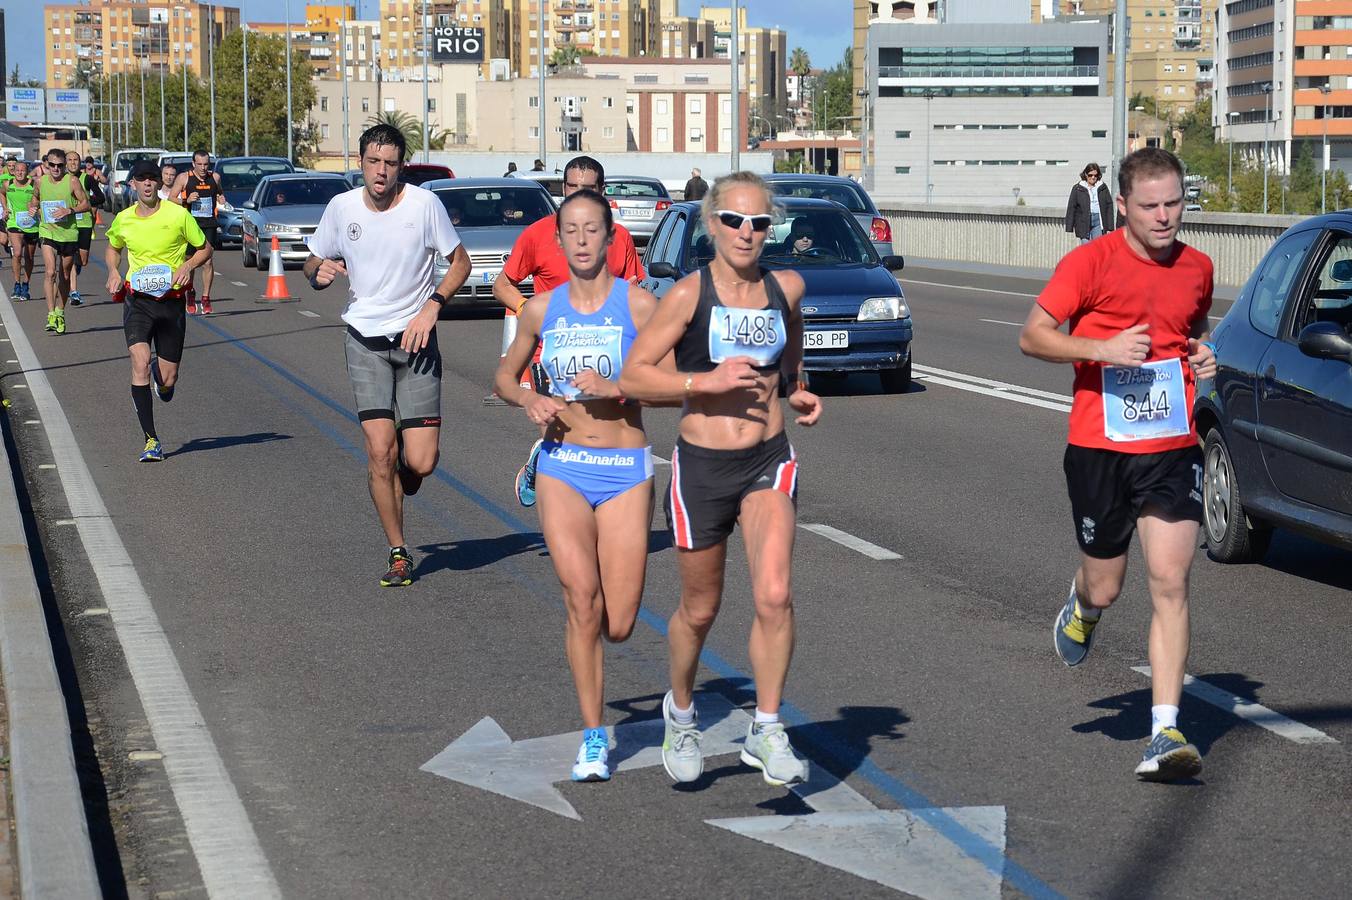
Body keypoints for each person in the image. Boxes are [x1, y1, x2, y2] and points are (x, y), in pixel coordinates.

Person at [619, 171, 823, 787]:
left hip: (767, 458)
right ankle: (680, 712)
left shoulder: (786, 288)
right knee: (700, 608)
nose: (747, 232)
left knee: (774, 594)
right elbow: (634, 376)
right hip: (702, 467)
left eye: (760, 223)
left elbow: (791, 354)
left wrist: (799, 389)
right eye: (734, 220)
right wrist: (702, 383)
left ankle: (765, 725)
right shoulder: (686, 295)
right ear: (711, 225)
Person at [1019, 148, 1216, 782]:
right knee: (1107, 583)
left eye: (1175, 203)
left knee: (1171, 580)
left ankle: (1164, 731)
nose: (1165, 217)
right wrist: (1101, 347)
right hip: (1100, 448)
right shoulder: (1089, 263)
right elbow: (1034, 335)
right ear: (1123, 206)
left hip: (1170, 445)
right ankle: (1083, 605)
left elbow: (1190, 327)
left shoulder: (1198, 267)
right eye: (1152, 206)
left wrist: (1202, 356)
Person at [493, 190, 666, 782]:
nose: (584, 239)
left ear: (612, 237)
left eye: (594, 229)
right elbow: (505, 374)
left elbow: (671, 383)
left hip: (624, 470)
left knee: (618, 621)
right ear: (560, 239)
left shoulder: (639, 305)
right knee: (580, 602)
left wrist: (617, 385)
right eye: (573, 230)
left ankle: (616, 696)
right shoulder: (542, 310)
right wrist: (530, 397)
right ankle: (594, 736)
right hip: (563, 463)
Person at [303, 124, 471, 588]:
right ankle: (399, 551)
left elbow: (462, 262)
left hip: (415, 341)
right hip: (364, 340)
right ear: (361, 163)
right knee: (379, 452)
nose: (381, 172)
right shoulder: (341, 208)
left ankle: (404, 467)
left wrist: (433, 306)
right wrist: (319, 272)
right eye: (374, 162)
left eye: (390, 163)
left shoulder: (424, 205)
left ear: (401, 167)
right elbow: (311, 261)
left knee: (421, 463)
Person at [493, 155, 645, 507]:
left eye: (587, 188)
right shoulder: (539, 234)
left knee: (597, 435)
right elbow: (504, 285)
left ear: (603, 193)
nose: (578, 193)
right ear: (563, 189)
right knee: (559, 435)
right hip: (551, 353)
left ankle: (598, 502)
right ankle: (553, 481)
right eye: (572, 186)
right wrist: (531, 314)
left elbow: (633, 290)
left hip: (604, 352)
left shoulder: (618, 238)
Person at [103, 161, 212, 462]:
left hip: (171, 302)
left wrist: (188, 265)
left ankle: (161, 379)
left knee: (168, 379)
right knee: (138, 361)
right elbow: (113, 247)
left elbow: (205, 248)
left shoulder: (177, 215)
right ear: (133, 185)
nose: (148, 184)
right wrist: (113, 269)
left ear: (158, 185)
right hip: (138, 302)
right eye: (142, 179)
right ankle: (151, 439)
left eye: (152, 179)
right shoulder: (124, 219)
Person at [30, 148, 90, 335]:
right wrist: (32, 209)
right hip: (47, 231)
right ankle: (50, 314)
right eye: (52, 165)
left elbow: (86, 204)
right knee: (50, 272)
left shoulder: (71, 181)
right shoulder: (40, 181)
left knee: (64, 274)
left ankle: (60, 311)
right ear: (46, 164)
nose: (56, 169)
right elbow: (34, 200)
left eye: (60, 165)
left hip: (68, 234)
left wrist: (70, 211)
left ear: (64, 166)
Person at [169, 150, 223, 315]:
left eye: (206, 164)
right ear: (193, 164)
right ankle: (190, 292)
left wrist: (221, 197)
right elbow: (171, 198)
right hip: (190, 223)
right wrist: (186, 200)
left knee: (207, 261)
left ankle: (206, 297)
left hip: (209, 224)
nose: (203, 168)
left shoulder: (215, 177)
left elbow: (220, 191)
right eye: (199, 164)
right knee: (190, 260)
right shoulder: (184, 178)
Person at [65, 150, 104, 307]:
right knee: (72, 258)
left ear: (80, 162)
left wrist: (86, 201)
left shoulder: (87, 179)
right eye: (70, 160)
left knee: (82, 260)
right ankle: (73, 291)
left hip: (85, 223)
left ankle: (75, 268)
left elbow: (101, 197)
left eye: (76, 160)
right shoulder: (62, 180)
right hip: (68, 224)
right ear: (66, 162)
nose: (73, 162)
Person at [4, 161, 38, 298]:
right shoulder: (8, 184)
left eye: (22, 170)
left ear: (27, 171)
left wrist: (35, 206)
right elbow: (1, 193)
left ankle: (26, 284)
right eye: (17, 170)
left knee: (29, 257)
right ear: (13, 171)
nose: (19, 172)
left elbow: (42, 199)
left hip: (31, 224)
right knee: (17, 253)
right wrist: (5, 207)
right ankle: (16, 284)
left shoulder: (33, 184)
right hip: (14, 223)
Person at [1066, 162, 1115, 244]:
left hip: (1098, 221)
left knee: (1097, 248)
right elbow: (1072, 207)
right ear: (1085, 174)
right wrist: (1069, 226)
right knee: (1086, 247)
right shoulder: (1078, 188)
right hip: (1083, 222)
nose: (1093, 177)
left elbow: (1109, 205)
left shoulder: (1102, 187)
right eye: (1090, 175)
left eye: (1095, 175)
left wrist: (1110, 226)